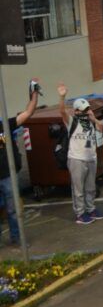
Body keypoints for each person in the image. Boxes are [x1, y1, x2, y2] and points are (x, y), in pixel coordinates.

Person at [58, 84, 103, 224]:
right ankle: (80, 213)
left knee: (91, 187)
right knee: (78, 189)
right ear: (76, 111)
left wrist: (93, 119)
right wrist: (62, 97)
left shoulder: (90, 122)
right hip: (76, 159)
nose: (86, 112)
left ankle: (91, 209)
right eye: (83, 110)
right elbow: (62, 112)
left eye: (87, 109)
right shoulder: (72, 121)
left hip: (91, 158)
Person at [0, 83, 39, 244]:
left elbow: (28, 112)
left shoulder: (5, 125)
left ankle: (16, 238)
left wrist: (34, 94)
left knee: (13, 209)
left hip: (7, 176)